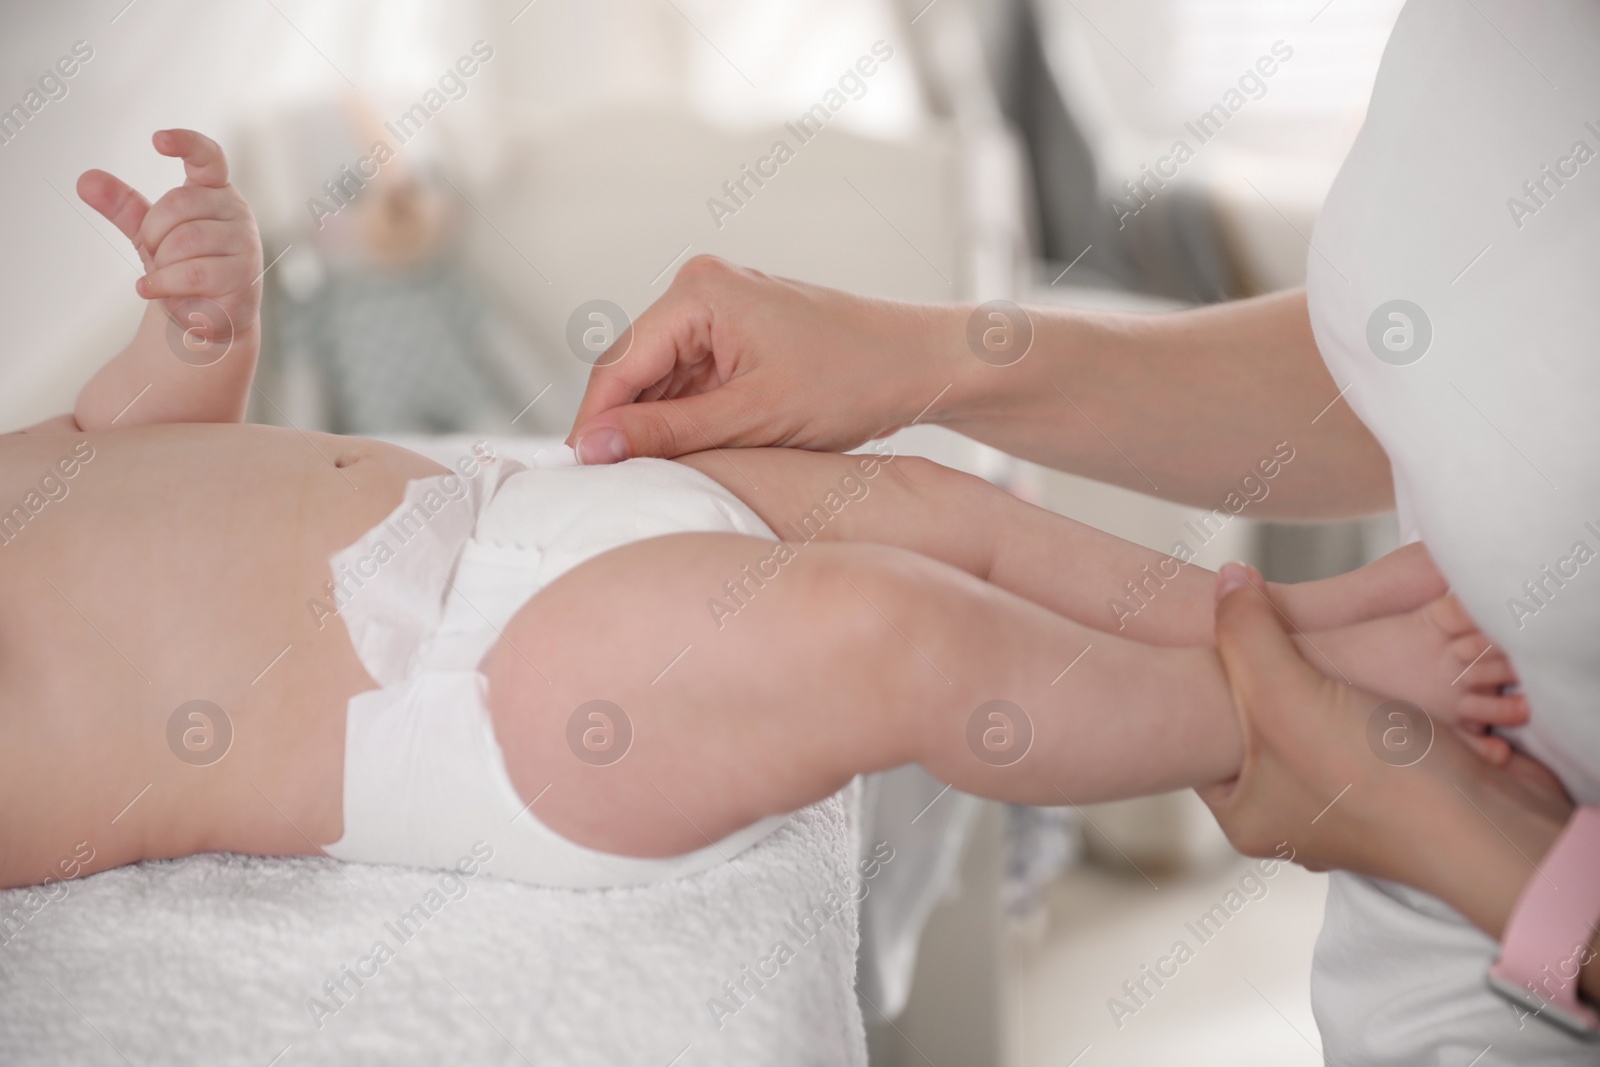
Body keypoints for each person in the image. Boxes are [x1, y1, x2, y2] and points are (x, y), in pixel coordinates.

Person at [0, 130, 1507, 897]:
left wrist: (204, 315)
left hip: (507, 508)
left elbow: (132, 439)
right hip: (448, 703)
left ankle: (1303, 629)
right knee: (886, 629)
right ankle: (1270, 718)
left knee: (919, 505)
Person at [565, 4, 1600, 1058]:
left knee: (896, 614)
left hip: (1510, 974)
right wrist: (922, 357)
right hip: (1412, 968)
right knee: (922, 532)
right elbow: (1430, 358)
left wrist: (1481, 852)